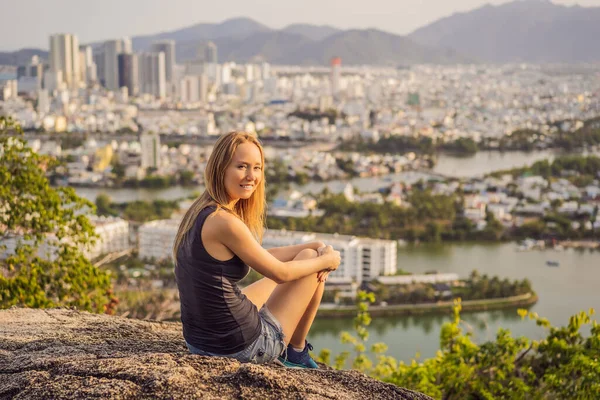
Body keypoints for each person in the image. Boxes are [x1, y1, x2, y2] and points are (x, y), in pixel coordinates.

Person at [173, 131, 341, 369]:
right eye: (242, 166)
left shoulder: (202, 211)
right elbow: (280, 274)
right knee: (310, 265)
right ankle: (296, 350)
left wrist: (313, 247)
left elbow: (262, 257)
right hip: (243, 347)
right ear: (220, 168)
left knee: (309, 256)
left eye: (257, 168)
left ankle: (296, 349)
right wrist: (327, 260)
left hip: (200, 342)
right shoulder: (225, 222)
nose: (251, 176)